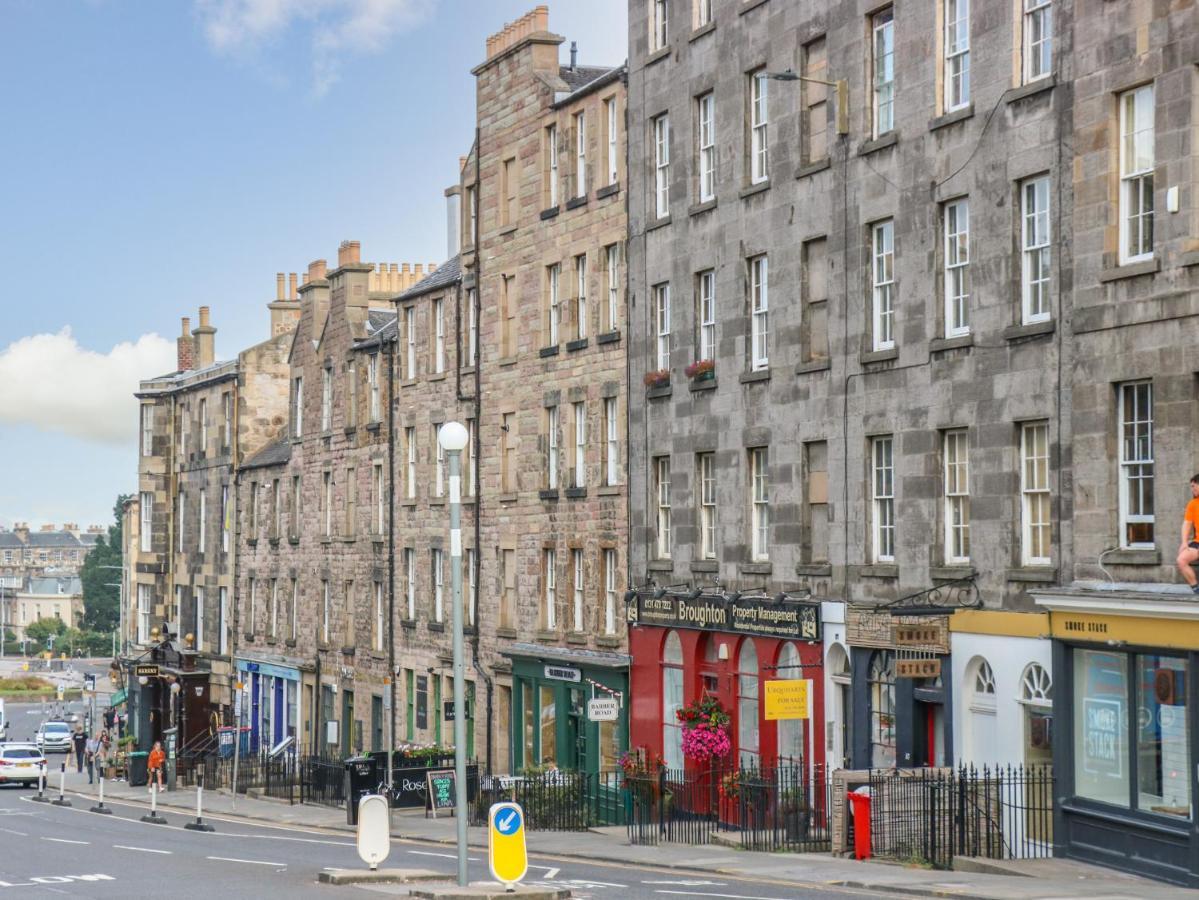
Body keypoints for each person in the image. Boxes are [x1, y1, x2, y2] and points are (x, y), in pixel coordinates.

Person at [1177, 474, 1199, 595]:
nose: (1192, 489)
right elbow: (1187, 524)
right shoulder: (1193, 504)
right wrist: (1184, 542)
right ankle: (1196, 589)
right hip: (1197, 542)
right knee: (1181, 560)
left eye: (1193, 486)